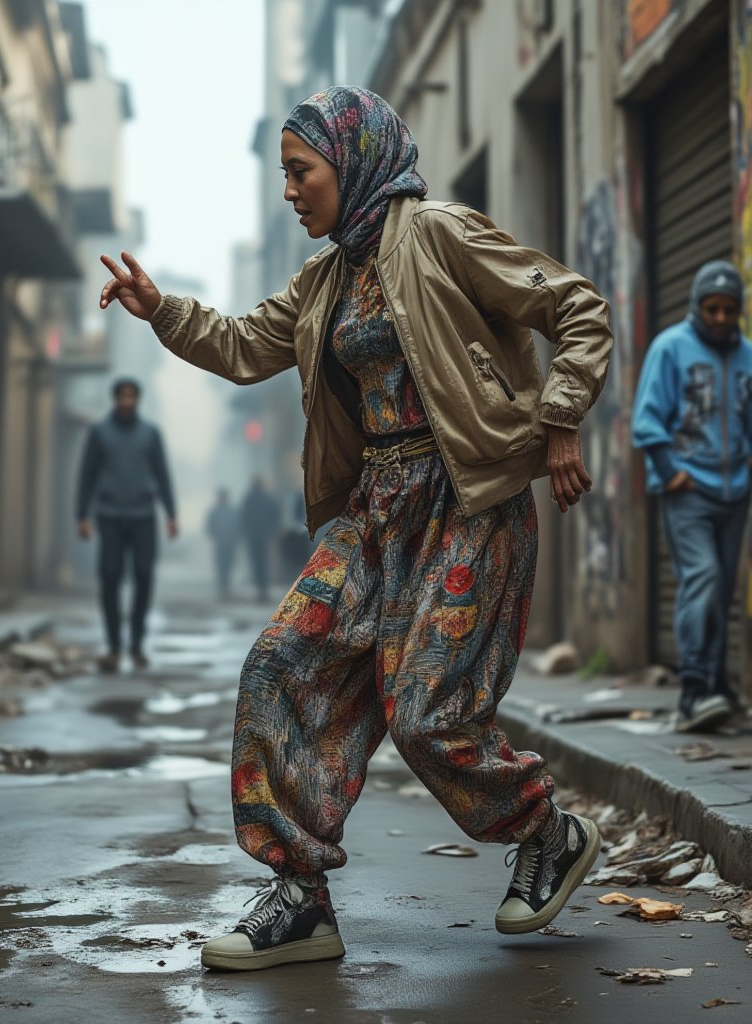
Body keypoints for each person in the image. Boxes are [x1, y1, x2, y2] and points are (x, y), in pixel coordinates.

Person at [100, 86, 611, 972]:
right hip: (375, 512)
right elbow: (243, 344)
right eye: (285, 176)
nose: (290, 192)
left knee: (425, 716)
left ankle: (547, 831)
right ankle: (299, 896)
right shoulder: (324, 279)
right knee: (278, 665)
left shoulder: (441, 234)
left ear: (354, 161)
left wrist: (561, 415)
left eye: (301, 173)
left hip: (468, 502)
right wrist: (161, 311)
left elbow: (576, 307)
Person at [632, 260, 752, 733]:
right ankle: (694, 691)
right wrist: (670, 473)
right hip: (688, 491)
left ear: (738, 310)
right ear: (697, 306)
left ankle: (716, 684)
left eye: (728, 309)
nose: (719, 317)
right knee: (704, 578)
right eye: (711, 308)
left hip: (735, 493)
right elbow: (647, 421)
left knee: (722, 588)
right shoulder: (670, 347)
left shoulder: (750, 357)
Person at [76, 378, 178, 672]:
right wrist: (82, 515)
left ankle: (136, 644)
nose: (127, 401)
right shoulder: (99, 433)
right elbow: (87, 475)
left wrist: (171, 514)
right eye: (122, 396)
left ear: (137, 400)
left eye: (131, 396)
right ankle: (113, 647)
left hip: (143, 516)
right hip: (109, 515)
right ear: (115, 399)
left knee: (144, 577)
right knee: (110, 577)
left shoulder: (150, 434)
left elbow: (162, 475)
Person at [240, 476, 279, 602]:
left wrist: (245, 533)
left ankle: (260, 590)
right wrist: (272, 532)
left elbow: (243, 518)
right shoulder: (267, 499)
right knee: (263, 563)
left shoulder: (249, 499)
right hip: (263, 536)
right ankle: (263, 590)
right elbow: (274, 517)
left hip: (254, 536)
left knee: (257, 564)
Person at [205, 488, 240, 600]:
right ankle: (223, 587)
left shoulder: (226, 511)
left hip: (228, 542)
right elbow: (210, 526)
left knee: (227, 565)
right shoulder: (225, 511)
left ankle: (226, 586)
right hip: (222, 542)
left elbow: (238, 525)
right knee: (222, 565)